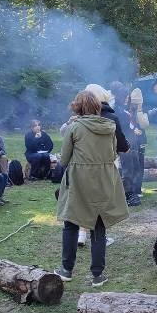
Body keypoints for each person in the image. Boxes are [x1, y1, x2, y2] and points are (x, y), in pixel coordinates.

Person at [54, 91, 128, 287]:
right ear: (97, 106)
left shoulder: (75, 127)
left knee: (71, 223)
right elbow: (113, 154)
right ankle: (98, 274)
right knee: (98, 226)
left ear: (78, 107)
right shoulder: (110, 126)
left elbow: (63, 159)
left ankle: (66, 269)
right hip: (104, 178)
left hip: (79, 180)